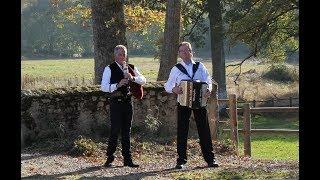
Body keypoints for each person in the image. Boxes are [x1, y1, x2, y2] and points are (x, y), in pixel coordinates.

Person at [164, 42, 219, 169]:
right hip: (183, 102)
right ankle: (181, 160)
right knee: (182, 131)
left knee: (204, 130)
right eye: (182, 51)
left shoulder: (200, 66)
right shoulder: (176, 69)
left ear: (191, 52)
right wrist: (174, 89)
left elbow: (208, 81)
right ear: (179, 54)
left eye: (187, 50)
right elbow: (167, 85)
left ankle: (211, 159)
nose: (185, 53)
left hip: (199, 102)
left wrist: (209, 89)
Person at [101, 45, 146, 167]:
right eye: (119, 54)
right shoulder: (109, 68)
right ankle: (110, 158)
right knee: (115, 130)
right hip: (116, 103)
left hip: (128, 103)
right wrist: (117, 84)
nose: (122, 56)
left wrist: (133, 78)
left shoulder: (131, 67)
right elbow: (103, 87)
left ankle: (128, 160)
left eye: (124, 54)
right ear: (115, 55)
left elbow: (143, 80)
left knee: (127, 131)